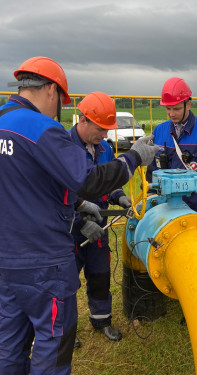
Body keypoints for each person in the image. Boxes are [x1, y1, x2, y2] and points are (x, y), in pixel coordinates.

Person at [0, 56, 158, 375]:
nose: (59, 109)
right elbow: (88, 180)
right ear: (51, 91)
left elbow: (24, 184)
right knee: (54, 339)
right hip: (43, 259)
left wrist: (75, 207)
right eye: (61, 101)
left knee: (11, 335)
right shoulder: (41, 128)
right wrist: (133, 158)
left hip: (6, 255)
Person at [69, 92, 132, 347]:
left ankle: (101, 319)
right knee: (66, 282)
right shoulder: (63, 148)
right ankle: (66, 330)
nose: (105, 135)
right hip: (70, 228)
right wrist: (80, 222)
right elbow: (56, 194)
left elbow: (107, 180)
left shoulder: (105, 147)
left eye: (108, 129)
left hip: (100, 226)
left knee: (100, 273)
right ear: (83, 120)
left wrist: (119, 196)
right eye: (100, 129)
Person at [147, 77, 197, 216]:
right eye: (168, 108)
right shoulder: (159, 132)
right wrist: (152, 198)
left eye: (176, 109)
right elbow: (151, 169)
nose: (171, 114)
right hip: (164, 206)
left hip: (195, 208)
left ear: (188, 105)